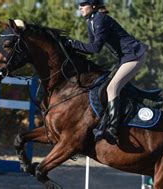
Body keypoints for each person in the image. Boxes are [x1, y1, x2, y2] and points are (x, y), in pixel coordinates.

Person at [64, 0, 148, 143]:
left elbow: (95, 48)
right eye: (80, 4)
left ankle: (113, 128)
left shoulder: (100, 20)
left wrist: (73, 43)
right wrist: (72, 46)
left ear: (94, 5)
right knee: (104, 86)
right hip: (125, 58)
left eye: (84, 4)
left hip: (134, 55)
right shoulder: (91, 21)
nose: (80, 7)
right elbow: (91, 48)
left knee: (112, 88)